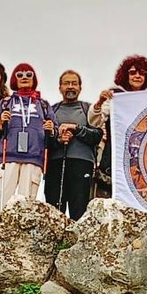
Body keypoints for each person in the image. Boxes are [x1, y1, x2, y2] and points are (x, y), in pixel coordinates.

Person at [0, 63, 54, 214]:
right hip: (9, 157)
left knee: (27, 202)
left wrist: (52, 129)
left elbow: (55, 130)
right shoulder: (5, 102)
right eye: (20, 75)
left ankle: (24, 237)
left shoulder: (44, 105)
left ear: (34, 79)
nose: (24, 77)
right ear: (14, 79)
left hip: (33, 158)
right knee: (3, 200)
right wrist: (0, 123)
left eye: (29, 75)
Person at [93, 54, 147, 198]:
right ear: (125, 75)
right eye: (133, 72)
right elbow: (95, 121)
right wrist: (100, 102)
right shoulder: (115, 96)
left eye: (141, 73)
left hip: (140, 160)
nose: (137, 76)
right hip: (113, 160)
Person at [45, 69, 100, 220]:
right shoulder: (51, 110)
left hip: (82, 164)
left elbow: (97, 135)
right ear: (60, 88)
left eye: (74, 83)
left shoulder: (88, 109)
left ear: (80, 88)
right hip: (55, 164)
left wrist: (76, 129)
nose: (70, 87)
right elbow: (43, 140)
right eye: (66, 83)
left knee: (80, 210)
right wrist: (58, 139)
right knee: (54, 210)